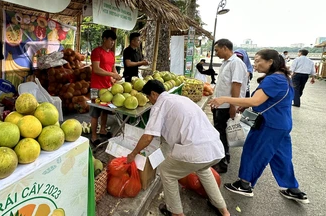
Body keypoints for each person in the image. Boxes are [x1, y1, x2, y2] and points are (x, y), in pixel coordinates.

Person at [209, 49, 309, 204]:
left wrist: (224, 99)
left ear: (270, 62)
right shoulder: (283, 77)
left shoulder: (273, 80)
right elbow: (263, 101)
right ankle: (293, 189)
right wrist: (245, 105)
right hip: (282, 124)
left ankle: (244, 184)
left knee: (253, 150)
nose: (254, 65)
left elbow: (255, 101)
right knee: (281, 157)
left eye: (257, 60)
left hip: (268, 124)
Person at [126, 80, 230, 216]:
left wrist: (133, 154)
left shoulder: (159, 105)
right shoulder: (179, 98)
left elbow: (148, 137)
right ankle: (223, 210)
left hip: (196, 150)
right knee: (203, 169)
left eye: (148, 97)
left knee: (167, 171)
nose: (149, 101)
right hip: (214, 148)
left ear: (153, 94)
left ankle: (176, 212)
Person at [212, 39, 248, 173]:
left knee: (222, 134)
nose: (216, 53)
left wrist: (233, 105)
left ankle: (223, 163)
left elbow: (236, 85)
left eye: (217, 50)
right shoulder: (225, 64)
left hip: (227, 106)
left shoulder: (236, 63)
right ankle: (221, 159)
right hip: (220, 105)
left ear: (225, 48)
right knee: (219, 133)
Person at [90, 30, 122, 147]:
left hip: (108, 87)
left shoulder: (112, 54)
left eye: (114, 40)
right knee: (95, 112)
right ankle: (94, 136)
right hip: (96, 87)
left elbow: (113, 68)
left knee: (105, 111)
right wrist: (111, 75)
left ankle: (102, 129)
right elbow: (96, 69)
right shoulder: (97, 52)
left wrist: (115, 76)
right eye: (111, 40)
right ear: (104, 39)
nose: (113, 42)